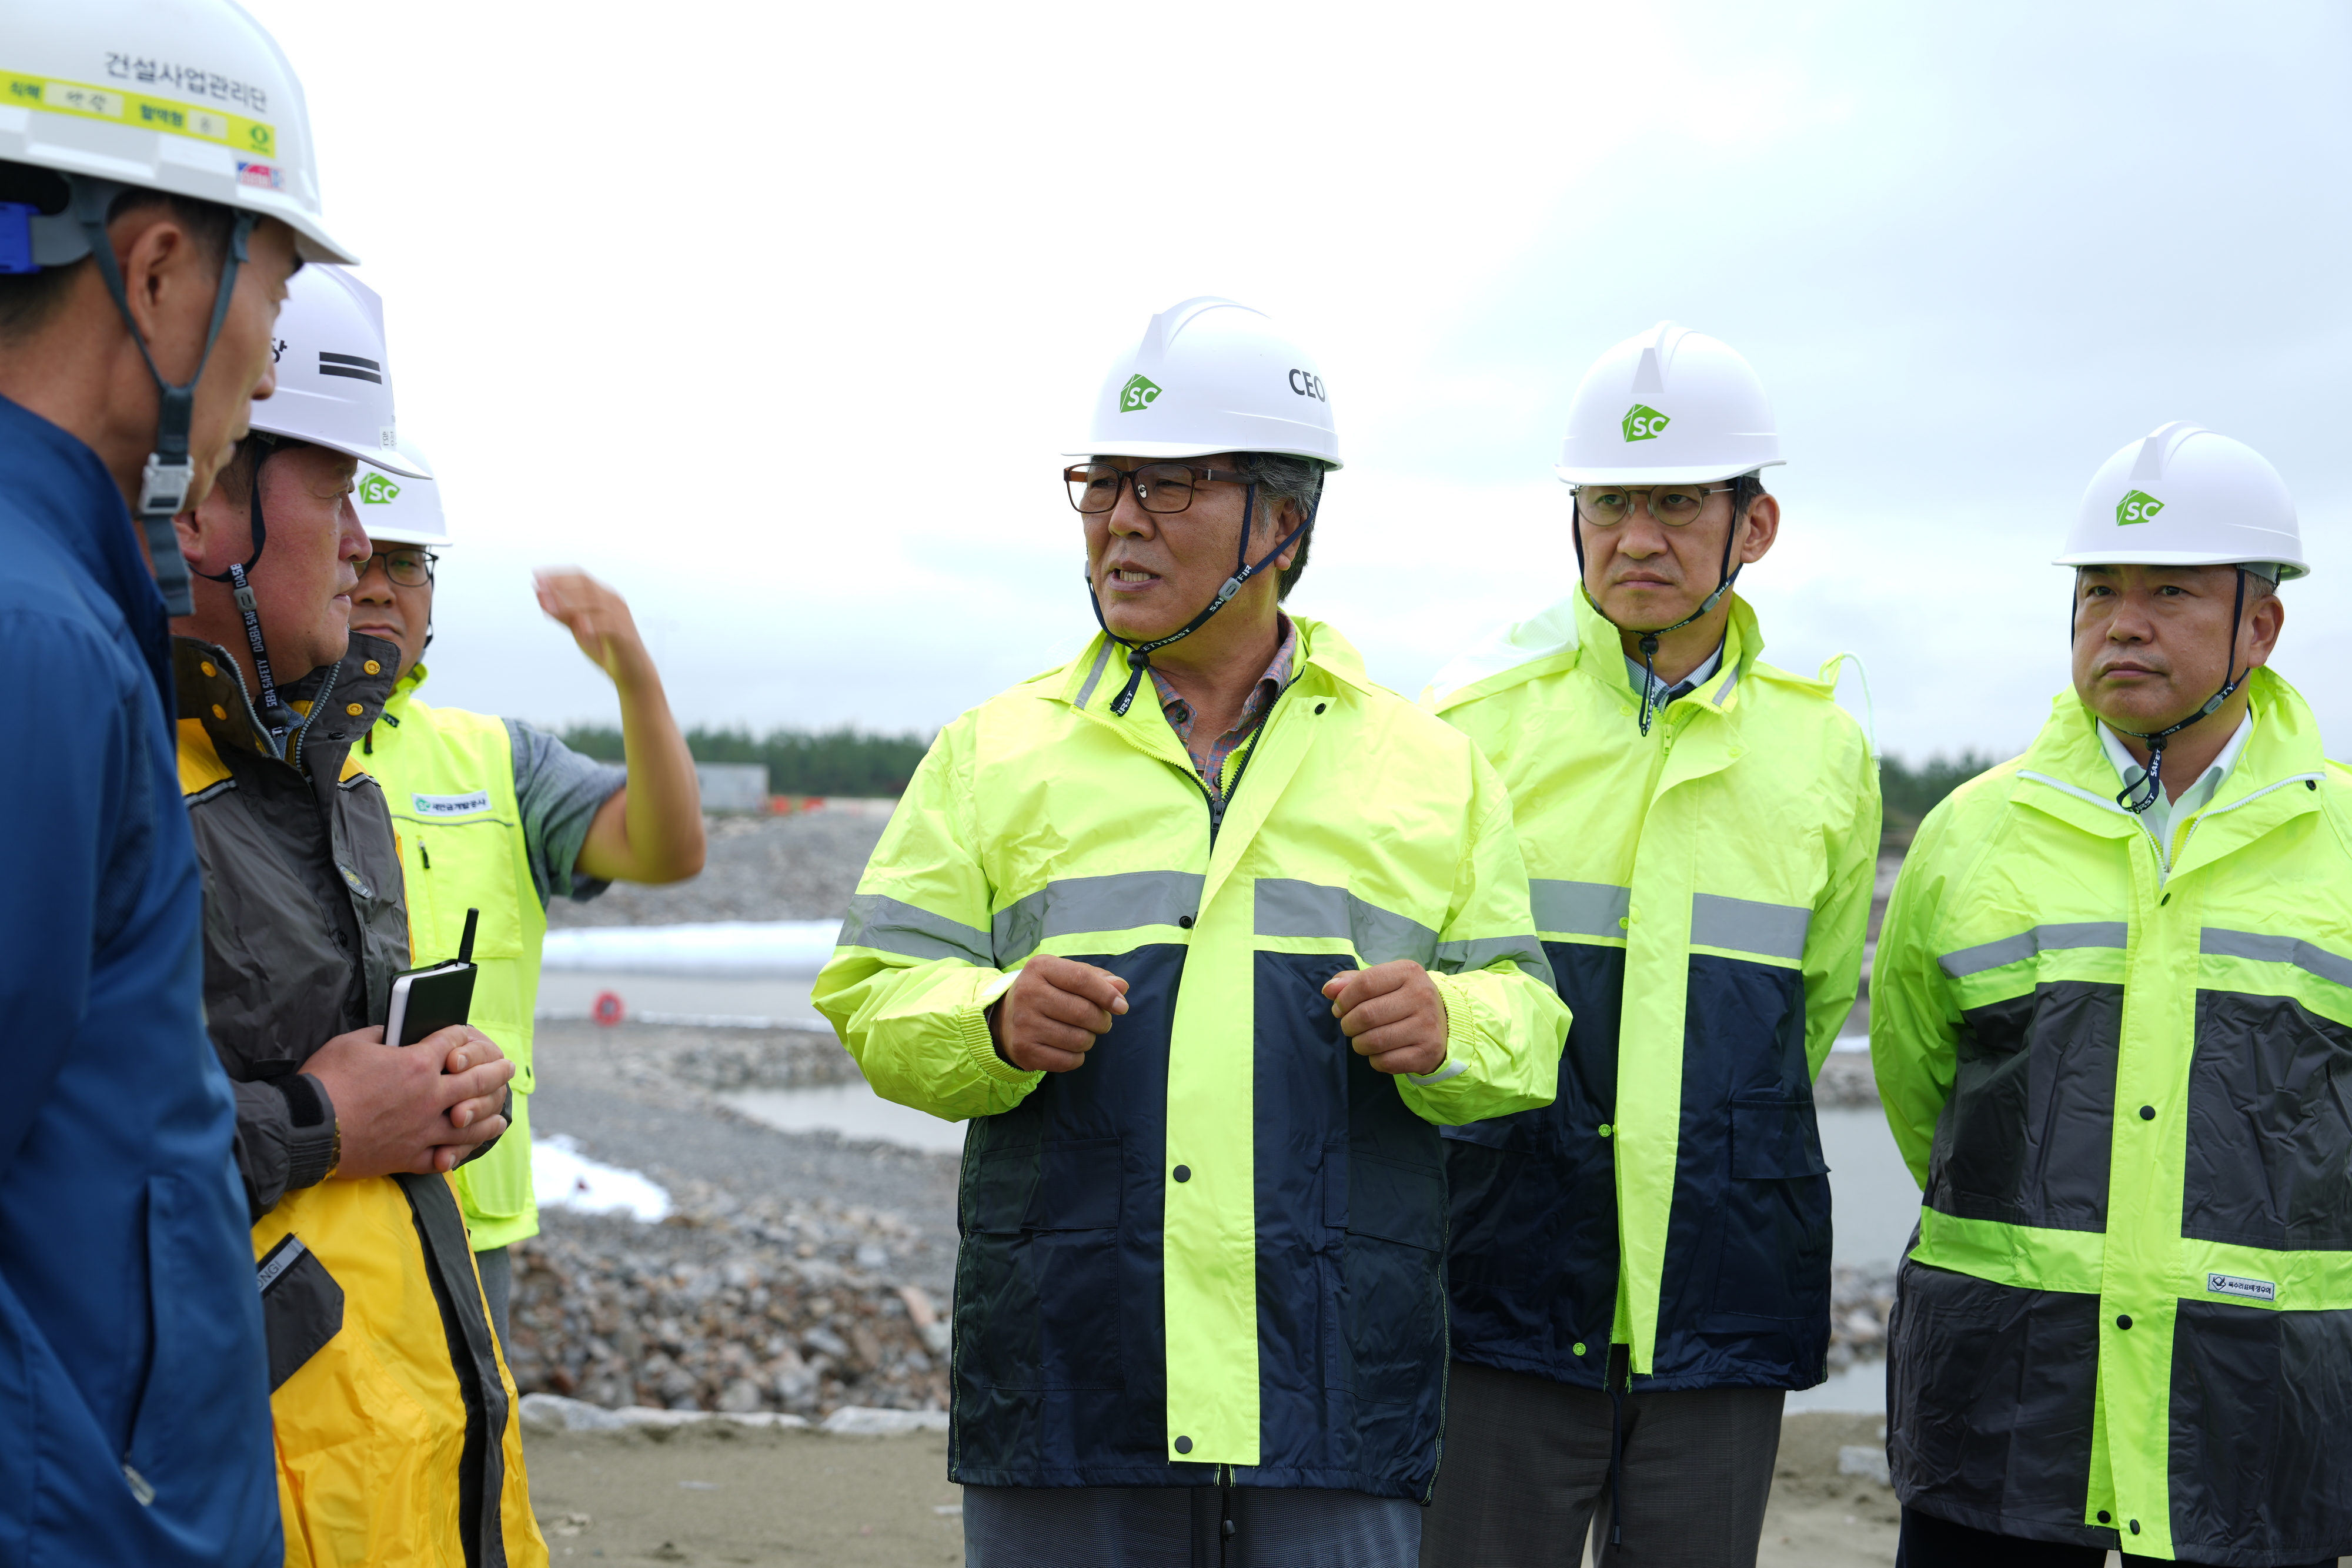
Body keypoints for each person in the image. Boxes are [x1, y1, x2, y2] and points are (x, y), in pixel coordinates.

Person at [814, 295, 1569, 1567]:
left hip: (1330, 1381)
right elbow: (874, 994)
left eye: (1168, 488)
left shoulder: (1427, 766)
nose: (1119, 520)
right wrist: (986, 1020)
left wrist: (1453, 1027)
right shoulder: (993, 751)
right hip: (1066, 1375)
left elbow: (1527, 1017)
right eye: (1104, 484)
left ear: (1283, 518)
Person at [1418, 322, 1880, 1567]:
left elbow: (1813, 1003)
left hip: (1719, 1294)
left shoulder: (1822, 748)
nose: (1635, 538)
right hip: (1502, 1280)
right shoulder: (1469, 727)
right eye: (1608, 501)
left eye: (1676, 504)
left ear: (1755, 526)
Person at [1873, 423, 2350, 1567]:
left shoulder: (2338, 838)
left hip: (2256, 1430)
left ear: (2260, 624)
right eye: (2096, 593)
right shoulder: (1970, 833)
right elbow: (1916, 1089)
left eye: (2168, 591)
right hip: (1999, 1420)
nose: (2120, 622)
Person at [0, 2, 346, 1557]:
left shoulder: (59, 604)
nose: (267, 355)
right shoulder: (35, 636)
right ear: (153, 269)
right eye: (268, 280)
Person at [171, 262, 547, 1568]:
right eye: (336, 496)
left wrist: (431, 1087)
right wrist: (329, 1123)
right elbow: (62, 1159)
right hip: (245, 1496)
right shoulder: (106, 767)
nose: (357, 548)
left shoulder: (317, 768)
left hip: (408, 1484)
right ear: (203, 499)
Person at [347, 447, 705, 1346]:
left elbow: (667, 850)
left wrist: (635, 676)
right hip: (303, 1187)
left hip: (468, 1215)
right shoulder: (226, 747)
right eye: (359, 559)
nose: (383, 588)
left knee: (466, 1474)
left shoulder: (496, 759)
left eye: (407, 564)